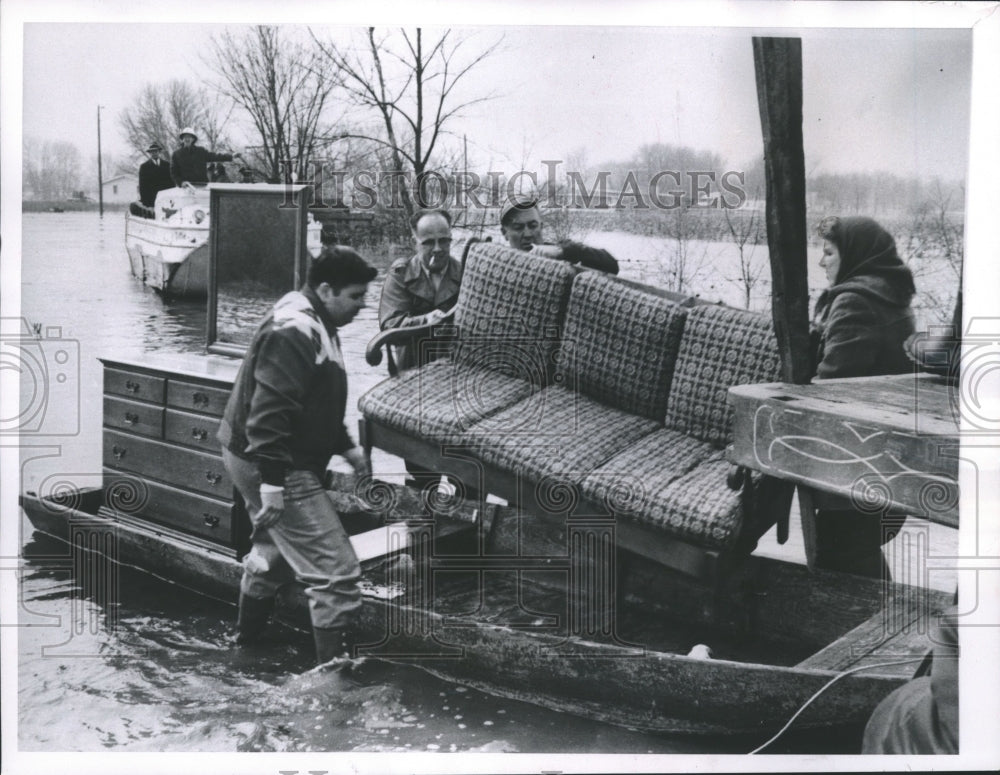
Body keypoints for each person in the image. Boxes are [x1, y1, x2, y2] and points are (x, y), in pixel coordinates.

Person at [218, 245, 377, 665]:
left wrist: (346, 448)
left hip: (263, 456)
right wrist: (272, 485)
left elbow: (312, 399)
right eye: (356, 296)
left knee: (273, 553)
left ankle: (245, 647)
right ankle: (332, 684)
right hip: (275, 461)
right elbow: (270, 415)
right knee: (337, 573)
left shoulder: (313, 317)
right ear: (326, 289)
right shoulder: (295, 331)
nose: (362, 306)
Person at [807, 215, 917, 578]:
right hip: (888, 464)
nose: (822, 262)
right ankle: (877, 619)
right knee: (853, 552)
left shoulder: (855, 301)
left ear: (854, 254)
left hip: (857, 470)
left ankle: (864, 627)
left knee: (840, 553)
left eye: (828, 253)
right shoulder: (889, 292)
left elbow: (832, 385)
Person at [378, 207, 463, 372]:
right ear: (414, 243)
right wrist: (425, 320)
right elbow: (390, 326)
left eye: (444, 241)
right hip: (411, 371)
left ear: (451, 239)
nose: (438, 249)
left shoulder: (465, 273)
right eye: (429, 242)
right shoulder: (400, 275)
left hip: (454, 370)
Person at [500, 193, 619, 274]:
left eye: (533, 226)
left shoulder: (562, 255)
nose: (527, 234)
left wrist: (564, 251)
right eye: (518, 227)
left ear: (541, 226)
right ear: (504, 233)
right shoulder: (497, 265)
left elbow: (612, 266)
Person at [170, 127, 241, 186]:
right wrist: (181, 182)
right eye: (185, 137)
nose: (187, 139)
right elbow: (174, 173)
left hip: (202, 185)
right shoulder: (176, 154)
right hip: (186, 187)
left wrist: (231, 156)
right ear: (182, 139)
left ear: (193, 139)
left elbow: (215, 156)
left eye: (189, 137)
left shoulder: (201, 151)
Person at [137, 142, 174, 213]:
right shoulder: (144, 167)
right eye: (152, 152)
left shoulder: (167, 165)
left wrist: (171, 197)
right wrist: (147, 203)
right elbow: (142, 187)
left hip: (166, 198)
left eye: (155, 151)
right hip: (152, 200)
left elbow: (172, 183)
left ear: (159, 152)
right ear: (150, 153)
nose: (154, 153)